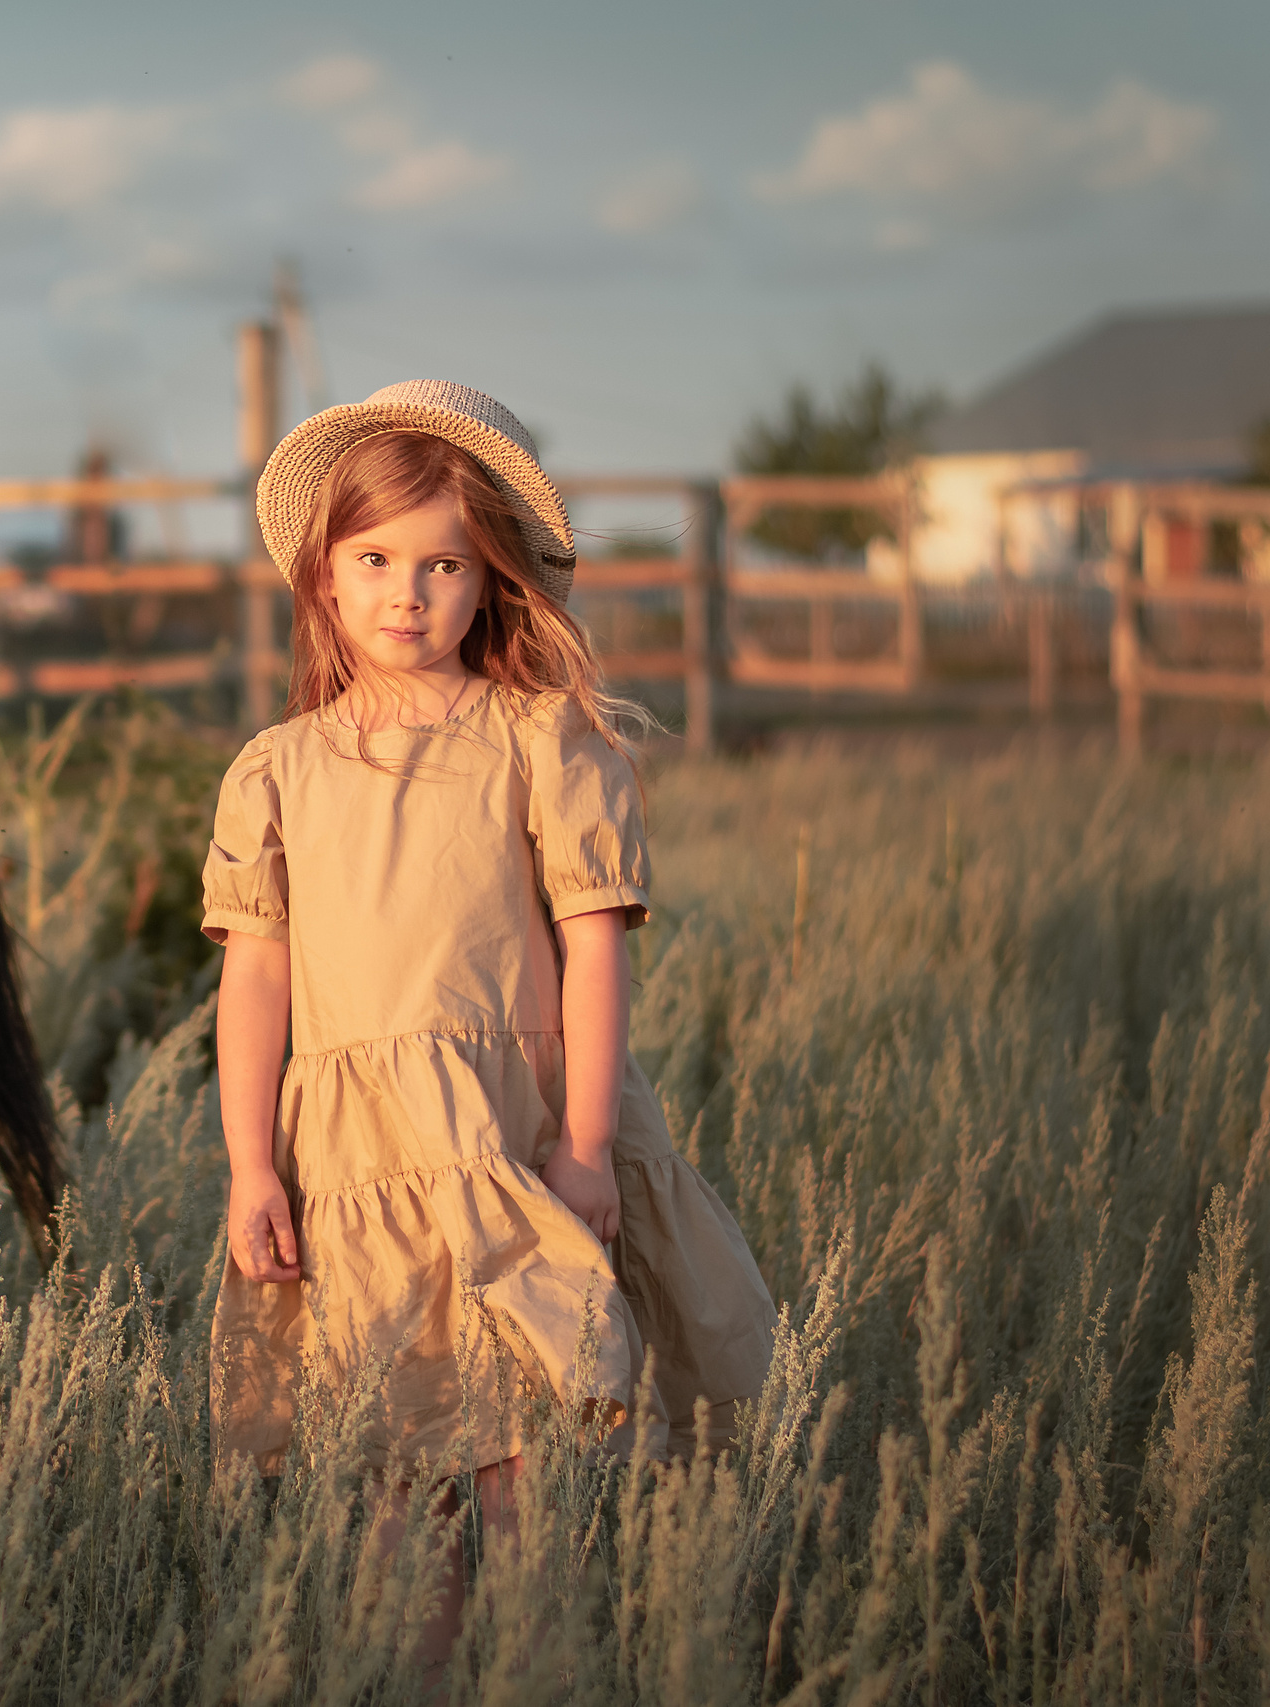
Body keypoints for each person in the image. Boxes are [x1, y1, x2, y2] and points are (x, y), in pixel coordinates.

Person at [203, 381, 776, 1654]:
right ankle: (420, 1671)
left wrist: (581, 1147)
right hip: (359, 1162)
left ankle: (530, 1668)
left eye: (443, 564)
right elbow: (254, 977)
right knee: (399, 1466)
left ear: (490, 580)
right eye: (375, 560)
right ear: (325, 578)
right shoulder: (278, 770)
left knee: (525, 1455)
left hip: (519, 1139)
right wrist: (252, 1164)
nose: (406, 593)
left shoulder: (538, 741)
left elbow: (591, 952)